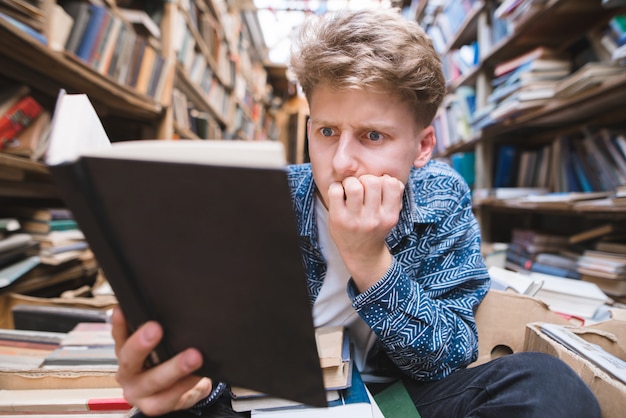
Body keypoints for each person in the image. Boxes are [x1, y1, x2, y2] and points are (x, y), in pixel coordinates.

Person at [112, 8, 601, 418]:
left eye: (372, 136)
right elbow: (214, 351)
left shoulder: (441, 197)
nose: (342, 161)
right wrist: (180, 386)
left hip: (398, 400)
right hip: (264, 403)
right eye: (327, 132)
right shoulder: (265, 199)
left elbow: (451, 356)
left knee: (548, 385)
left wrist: (371, 262)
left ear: (423, 144)